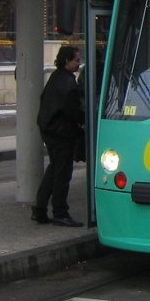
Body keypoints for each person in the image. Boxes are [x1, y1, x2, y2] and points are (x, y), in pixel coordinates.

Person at [32, 45, 84, 227]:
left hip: (49, 129)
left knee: (54, 169)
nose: (79, 63)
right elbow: (74, 111)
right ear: (67, 61)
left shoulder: (56, 77)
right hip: (62, 133)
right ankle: (60, 212)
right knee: (62, 173)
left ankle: (39, 209)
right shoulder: (68, 83)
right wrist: (85, 120)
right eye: (76, 60)